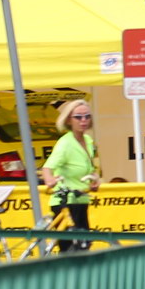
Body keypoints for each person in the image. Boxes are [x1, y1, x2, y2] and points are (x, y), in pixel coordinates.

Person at [39, 100, 99, 251]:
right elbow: (47, 167)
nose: (83, 120)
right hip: (65, 200)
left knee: (84, 244)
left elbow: (90, 168)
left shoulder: (88, 140)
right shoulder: (65, 143)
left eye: (87, 116)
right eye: (78, 117)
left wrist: (94, 181)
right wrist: (50, 181)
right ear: (68, 120)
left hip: (81, 198)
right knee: (69, 247)